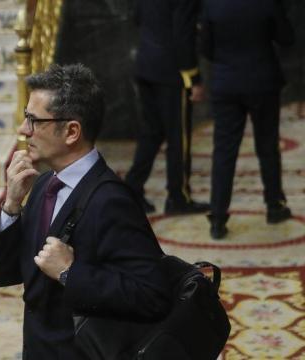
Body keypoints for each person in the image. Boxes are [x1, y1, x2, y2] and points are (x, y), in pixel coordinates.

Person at [0, 64, 170, 359]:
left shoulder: (111, 200)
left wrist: (72, 273)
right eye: (25, 118)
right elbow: (3, 273)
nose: (23, 130)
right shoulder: (44, 183)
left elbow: (153, 296)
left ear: (72, 131)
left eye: (34, 120)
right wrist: (11, 206)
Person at [200, 0, 295, 239]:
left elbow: (205, 48)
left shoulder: (211, 4)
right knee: (267, 145)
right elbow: (286, 37)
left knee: (223, 151)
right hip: (262, 80)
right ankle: (274, 206)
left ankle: (218, 218)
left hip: (226, 82)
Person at [126, 0, 209, 215]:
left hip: (146, 64)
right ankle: (178, 198)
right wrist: (193, 77)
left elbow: (136, 16)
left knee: (151, 133)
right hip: (172, 72)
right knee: (178, 138)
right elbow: (183, 32)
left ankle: (132, 191)